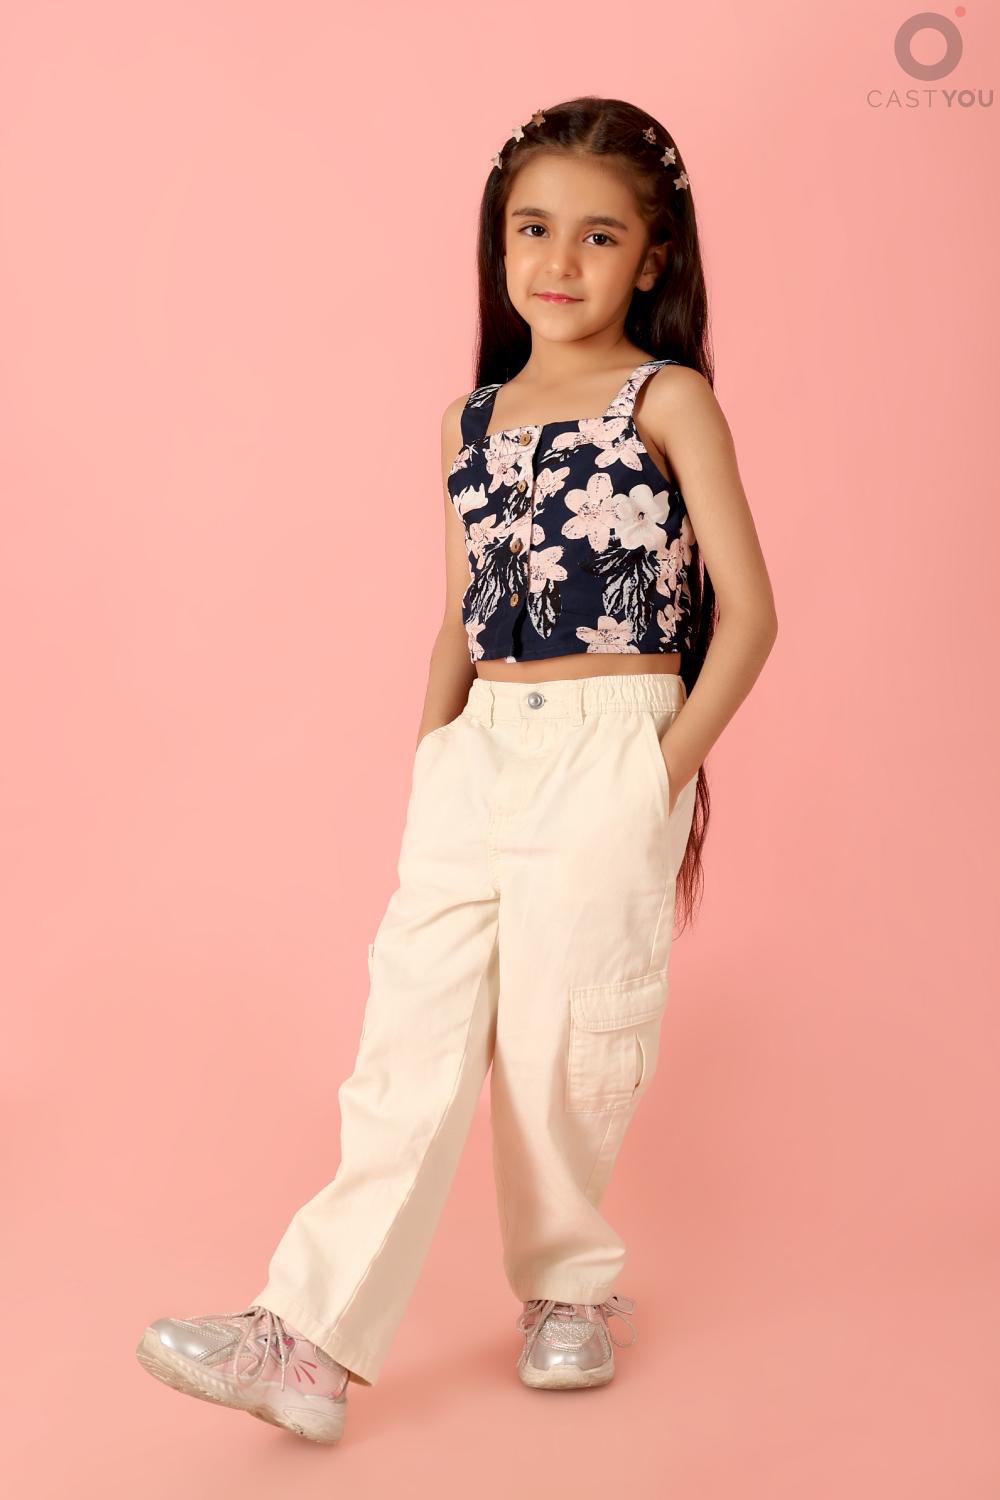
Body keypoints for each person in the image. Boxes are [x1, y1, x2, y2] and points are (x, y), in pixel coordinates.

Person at [135, 94, 779, 1445]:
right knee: (406, 1046)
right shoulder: (468, 421)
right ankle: (305, 1343)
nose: (559, 260)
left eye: (598, 235)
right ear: (498, 243)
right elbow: (457, 616)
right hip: (480, 750)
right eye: (532, 228)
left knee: (564, 1039)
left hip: (612, 739)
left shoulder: (669, 402)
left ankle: (569, 1290)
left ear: (652, 258)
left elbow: (753, 615)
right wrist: (433, 758)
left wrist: (657, 775)